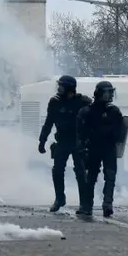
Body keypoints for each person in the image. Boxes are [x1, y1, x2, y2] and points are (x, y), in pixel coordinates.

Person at [37, 75, 92, 212]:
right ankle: (59, 199)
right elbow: (48, 123)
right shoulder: (55, 102)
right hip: (62, 140)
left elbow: (92, 123)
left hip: (78, 142)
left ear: (69, 88)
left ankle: (84, 204)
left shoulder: (83, 102)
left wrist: (89, 142)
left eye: (61, 86)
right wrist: (42, 140)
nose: (59, 88)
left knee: (81, 172)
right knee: (57, 170)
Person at [77, 80, 126, 218]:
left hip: (108, 148)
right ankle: (87, 206)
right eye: (107, 92)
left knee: (110, 177)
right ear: (99, 93)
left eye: (111, 92)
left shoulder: (114, 111)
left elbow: (119, 132)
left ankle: (108, 204)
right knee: (90, 178)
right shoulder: (87, 111)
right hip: (92, 149)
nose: (110, 95)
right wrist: (82, 148)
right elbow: (80, 132)